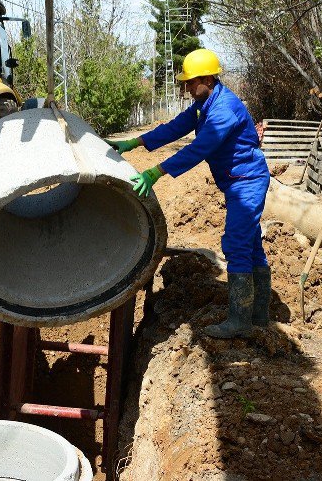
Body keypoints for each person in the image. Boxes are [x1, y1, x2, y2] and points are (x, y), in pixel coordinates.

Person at [107, 48, 271, 339]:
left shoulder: (224, 110)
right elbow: (176, 127)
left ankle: (240, 321)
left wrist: (156, 172)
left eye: (190, 82)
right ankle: (258, 315)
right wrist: (134, 142)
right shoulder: (204, 103)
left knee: (236, 244)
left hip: (247, 182)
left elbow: (199, 149)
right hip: (236, 180)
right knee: (250, 245)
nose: (186, 88)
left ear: (208, 78)